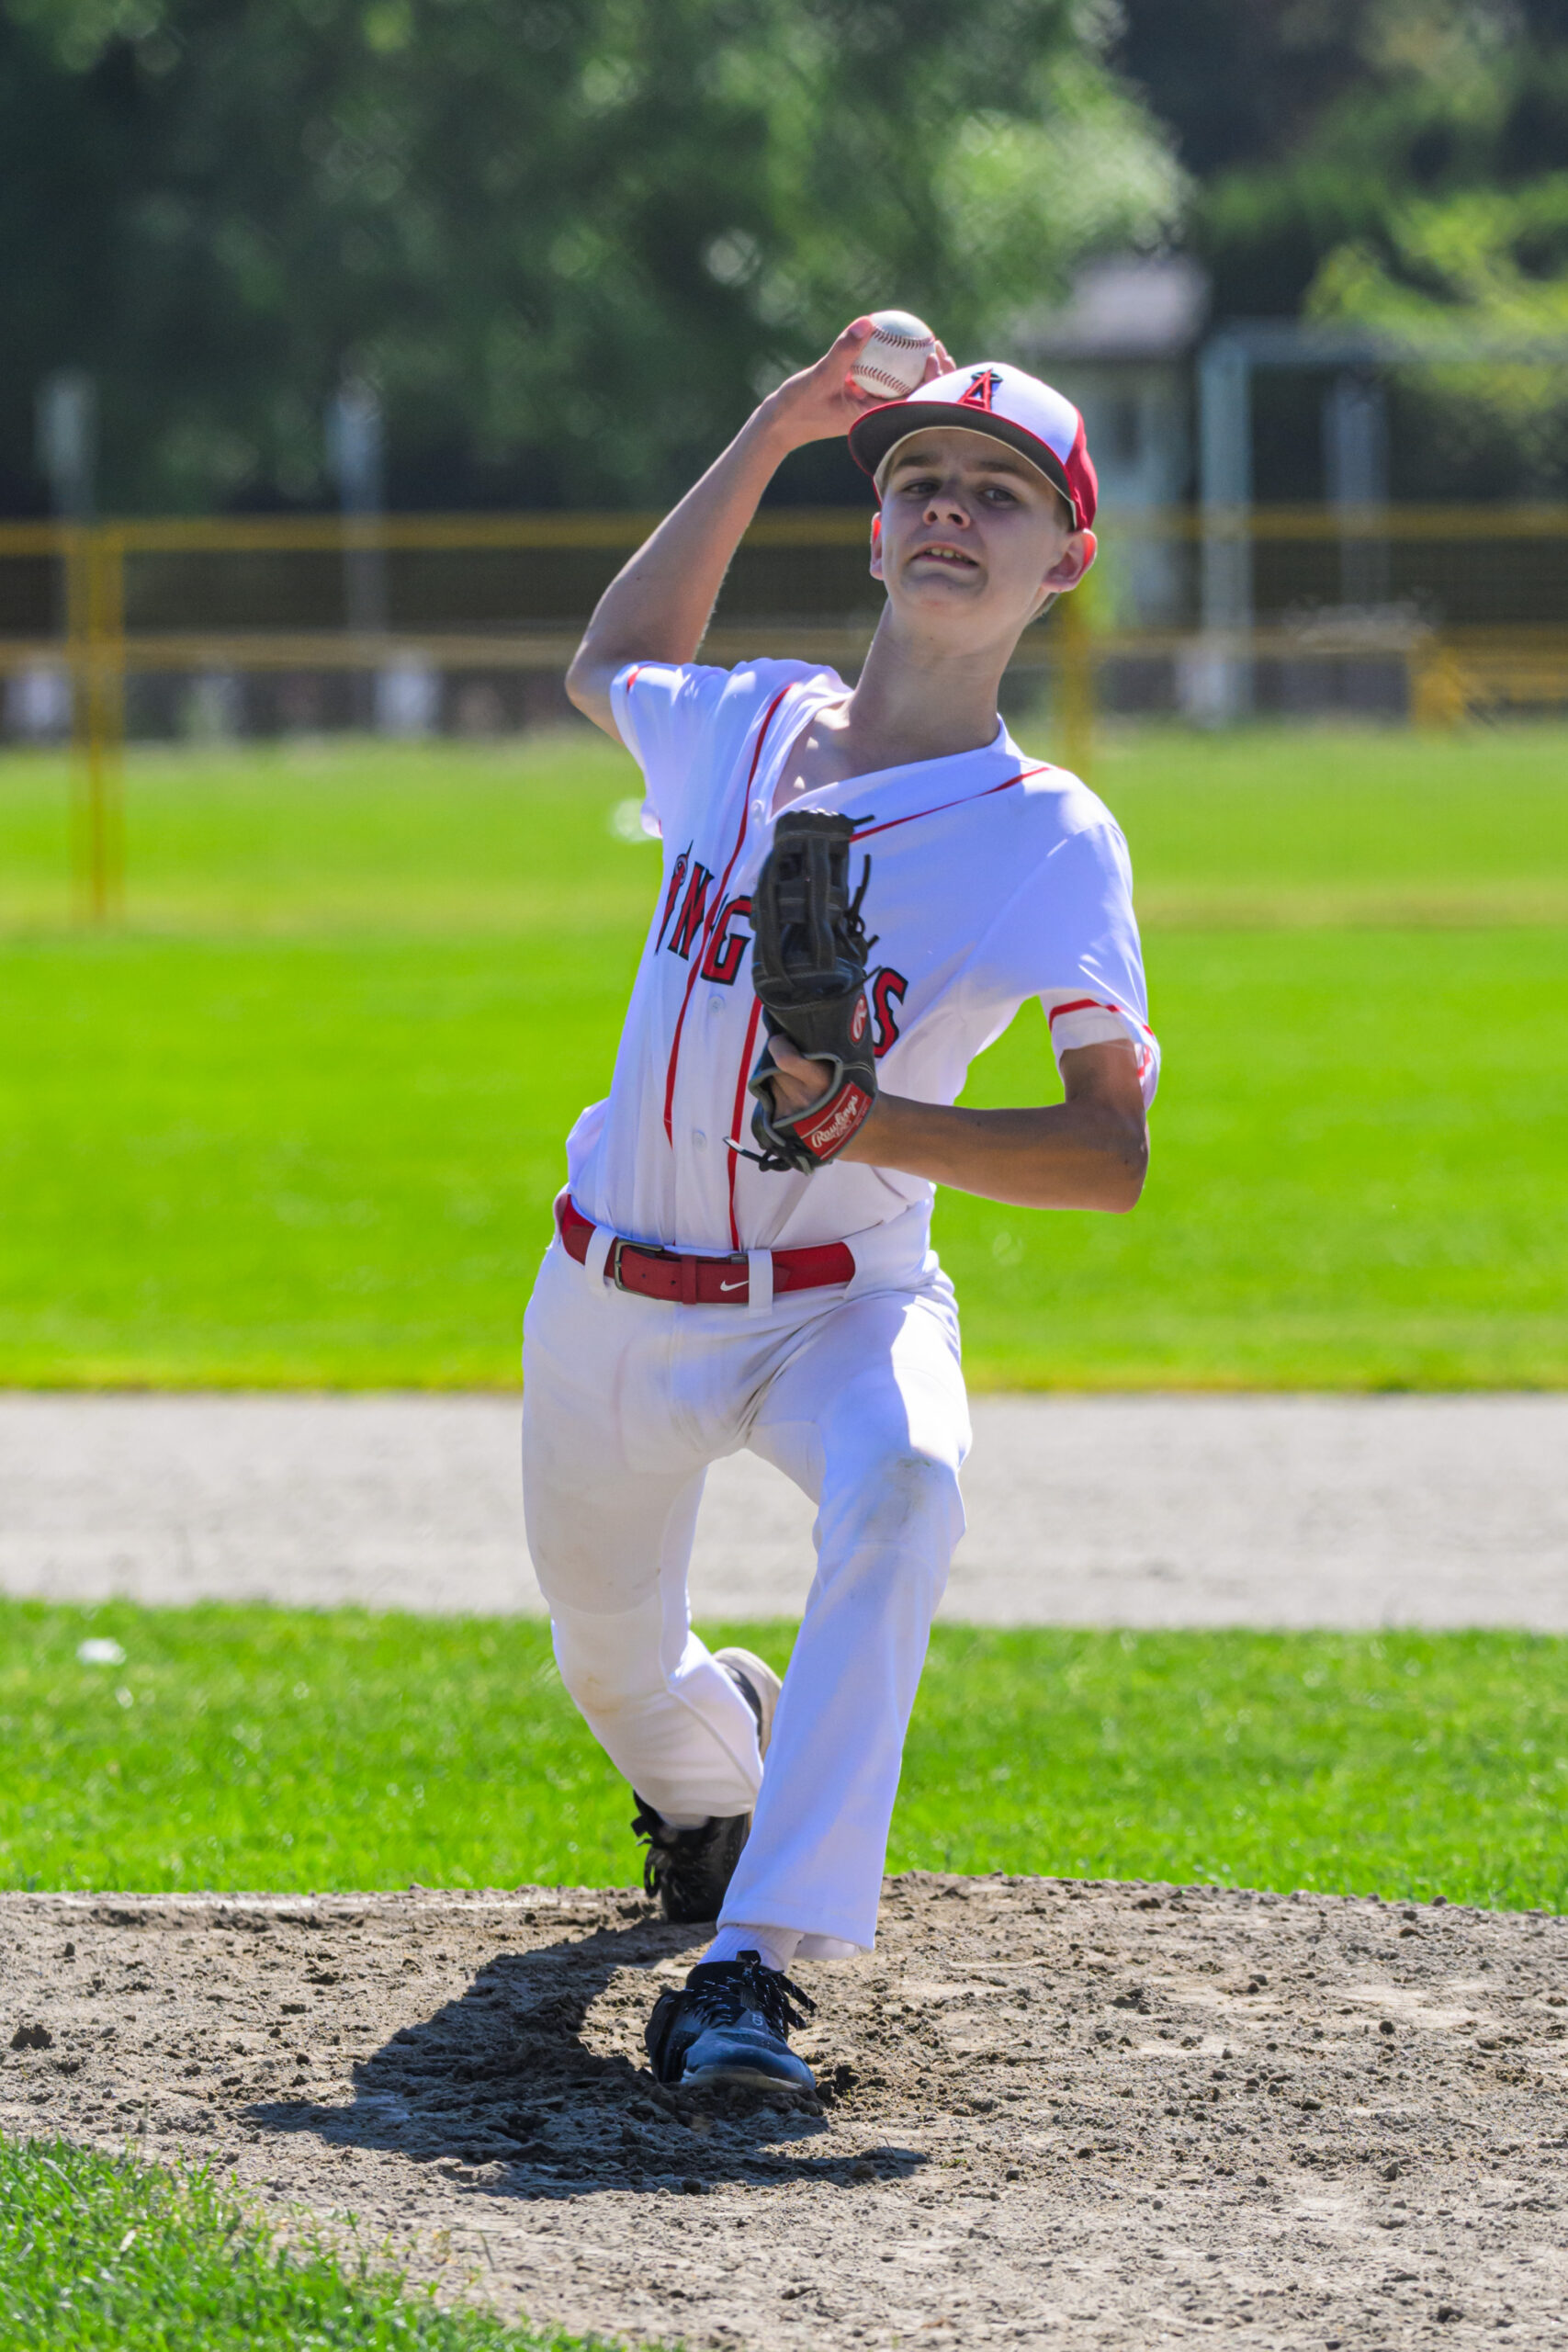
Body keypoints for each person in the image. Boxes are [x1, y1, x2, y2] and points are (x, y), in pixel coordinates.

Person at [526, 316, 1158, 2095]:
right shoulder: (749, 723)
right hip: (609, 1298)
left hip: (841, 1295)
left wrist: (875, 1120)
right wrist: (780, 423)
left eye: (999, 495)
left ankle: (754, 1966)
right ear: (876, 532)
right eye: (920, 481)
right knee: (621, 1677)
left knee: (906, 1476)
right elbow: (609, 661)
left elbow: (1106, 1155)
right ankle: (716, 1783)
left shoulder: (1047, 835)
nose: (950, 509)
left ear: (1063, 563)